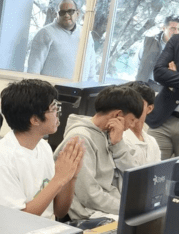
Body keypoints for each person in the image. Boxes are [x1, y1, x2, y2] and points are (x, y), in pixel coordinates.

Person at [0, 79, 83, 220]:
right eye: (53, 109)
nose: (57, 114)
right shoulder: (1, 157)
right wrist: (59, 179)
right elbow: (16, 222)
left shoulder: (43, 146)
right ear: (35, 120)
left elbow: (59, 212)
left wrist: (71, 177)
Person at [54, 85, 142, 220]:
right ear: (118, 115)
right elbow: (89, 195)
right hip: (89, 213)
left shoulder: (110, 134)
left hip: (109, 207)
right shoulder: (80, 138)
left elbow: (135, 177)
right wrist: (126, 209)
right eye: (131, 121)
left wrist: (118, 145)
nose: (131, 126)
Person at [147, 6, 179, 159]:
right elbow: (159, 73)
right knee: (148, 174)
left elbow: (166, 77)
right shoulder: (178, 40)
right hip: (162, 121)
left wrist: (174, 79)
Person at [27, 0, 96, 80]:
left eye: (70, 11)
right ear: (57, 14)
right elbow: (33, 69)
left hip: (80, 90)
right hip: (50, 91)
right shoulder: (45, 33)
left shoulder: (86, 34)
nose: (66, 15)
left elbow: (91, 70)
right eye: (62, 12)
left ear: (78, 13)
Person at [113, 81, 160, 171]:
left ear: (149, 109)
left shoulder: (152, 142)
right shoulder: (117, 137)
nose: (132, 108)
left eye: (138, 104)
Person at [135, 15, 179, 85]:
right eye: (173, 28)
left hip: (166, 89)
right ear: (163, 28)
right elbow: (137, 63)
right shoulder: (148, 42)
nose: (176, 32)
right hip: (143, 86)